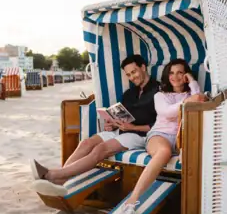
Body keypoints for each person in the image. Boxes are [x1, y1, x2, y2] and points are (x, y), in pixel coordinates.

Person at [30, 54, 160, 196]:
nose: (132, 77)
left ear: (143, 67)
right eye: (128, 75)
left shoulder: (159, 91)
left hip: (140, 135)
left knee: (100, 149)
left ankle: (51, 175)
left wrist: (133, 128)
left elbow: (159, 124)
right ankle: (61, 181)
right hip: (122, 130)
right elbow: (123, 116)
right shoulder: (129, 93)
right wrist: (113, 124)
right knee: (86, 143)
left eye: (134, 72)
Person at [115, 59, 206, 214]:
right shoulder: (160, 95)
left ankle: (190, 212)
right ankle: (131, 204)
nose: (175, 76)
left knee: (193, 153)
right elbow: (168, 112)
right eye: (171, 73)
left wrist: (192, 81)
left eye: (180, 72)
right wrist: (188, 101)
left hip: (182, 138)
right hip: (159, 135)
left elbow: (199, 98)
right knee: (163, 152)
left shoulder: (190, 94)